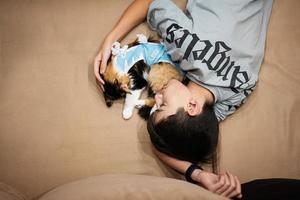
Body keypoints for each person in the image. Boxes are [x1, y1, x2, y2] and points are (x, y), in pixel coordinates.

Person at [94, 0, 273, 199]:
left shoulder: (240, 89)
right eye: (163, 105)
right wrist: (110, 40)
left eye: (157, 105)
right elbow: (151, 4)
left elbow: (163, 144)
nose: (157, 97)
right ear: (192, 106)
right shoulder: (186, 47)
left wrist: (198, 174)